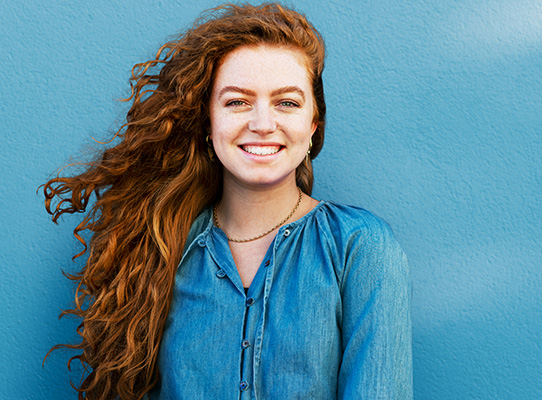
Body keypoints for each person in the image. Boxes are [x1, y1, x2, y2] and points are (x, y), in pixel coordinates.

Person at [42, 3, 412, 399]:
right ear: (208, 123)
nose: (263, 123)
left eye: (287, 102)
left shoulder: (360, 247)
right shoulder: (162, 247)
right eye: (237, 101)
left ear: (313, 126)